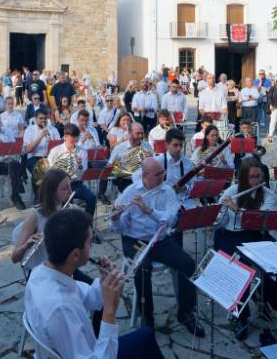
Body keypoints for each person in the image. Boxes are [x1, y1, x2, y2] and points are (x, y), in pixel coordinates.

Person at [24, 208, 163, 359]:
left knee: (146, 337)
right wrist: (109, 310)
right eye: (90, 242)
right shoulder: (60, 307)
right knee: (146, 338)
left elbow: (89, 297)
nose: (92, 246)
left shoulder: (40, 272)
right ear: (75, 254)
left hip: (76, 349)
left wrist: (104, 280)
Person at [111, 157, 204, 336]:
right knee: (142, 268)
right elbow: (119, 228)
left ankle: (185, 313)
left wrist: (149, 211)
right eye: (158, 174)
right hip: (135, 239)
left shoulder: (167, 190)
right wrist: (116, 217)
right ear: (145, 175)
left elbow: (170, 220)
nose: (163, 176)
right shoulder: (130, 192)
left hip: (159, 239)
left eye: (163, 172)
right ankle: (147, 317)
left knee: (188, 264)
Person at [213, 159, 277, 341]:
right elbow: (219, 222)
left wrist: (239, 210)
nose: (256, 181)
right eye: (252, 177)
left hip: (255, 233)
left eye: (259, 176)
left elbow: (261, 221)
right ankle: (242, 317)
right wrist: (220, 211)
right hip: (230, 235)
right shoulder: (232, 192)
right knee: (239, 271)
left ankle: (266, 299)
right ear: (243, 178)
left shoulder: (267, 194)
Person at [47, 124, 96, 216]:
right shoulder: (55, 151)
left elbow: (82, 174)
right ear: (65, 137)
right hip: (59, 185)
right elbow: (50, 170)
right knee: (67, 204)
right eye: (73, 137)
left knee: (91, 198)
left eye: (77, 137)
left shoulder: (82, 151)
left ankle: (88, 225)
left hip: (75, 184)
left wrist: (80, 166)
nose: (75, 140)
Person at [107, 122, 153, 192]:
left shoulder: (147, 145)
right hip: (127, 181)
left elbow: (154, 165)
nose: (140, 136)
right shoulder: (119, 148)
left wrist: (150, 159)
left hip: (145, 180)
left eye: (142, 133)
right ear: (130, 133)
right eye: (138, 133)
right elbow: (109, 167)